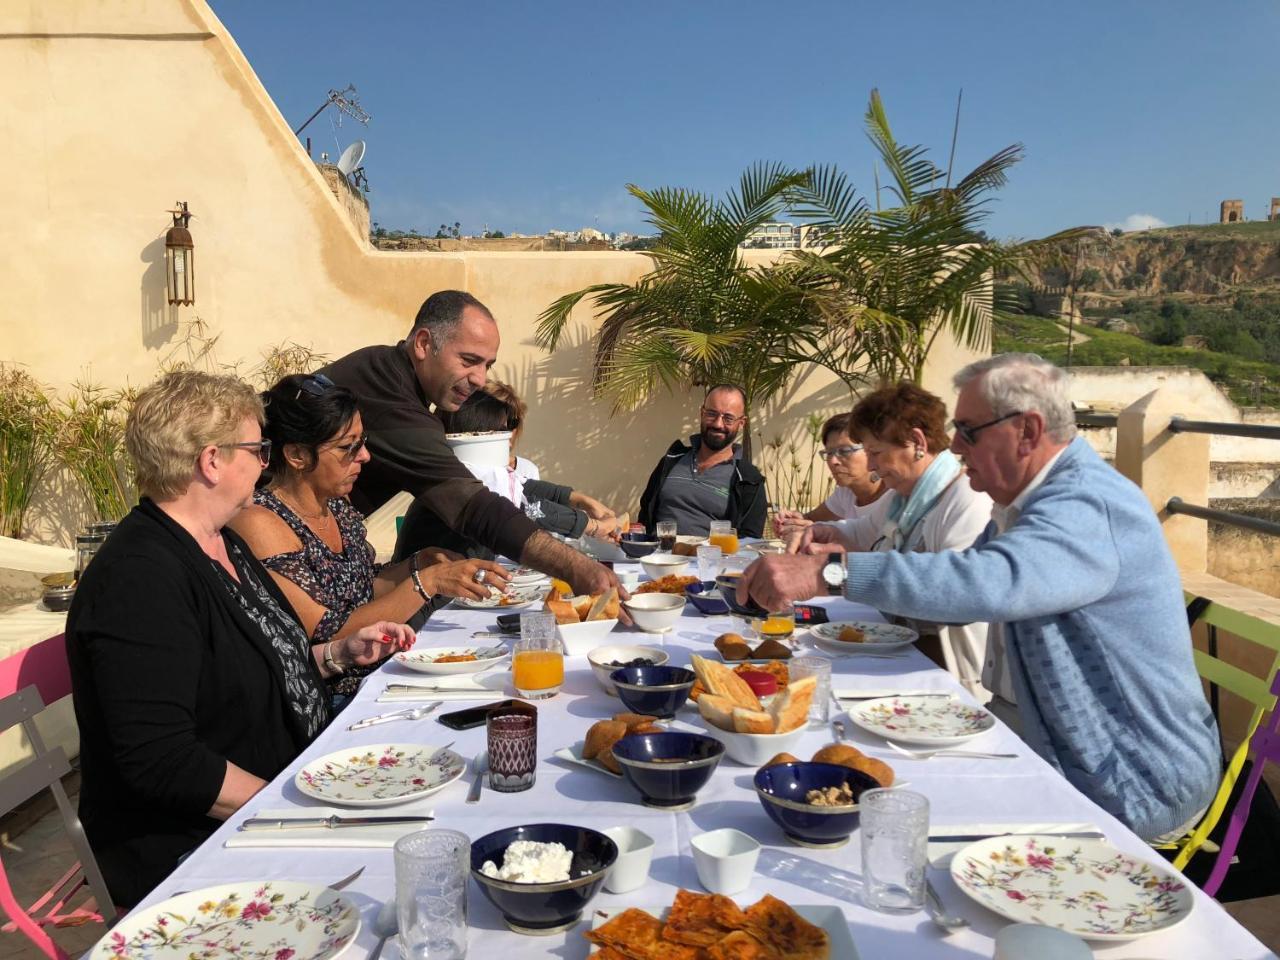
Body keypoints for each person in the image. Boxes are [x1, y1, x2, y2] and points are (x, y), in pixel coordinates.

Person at [738, 354, 1220, 842]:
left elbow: (988, 581)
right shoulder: (1025, 503)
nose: (956, 446)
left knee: (894, 830)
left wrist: (829, 573)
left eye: (969, 431)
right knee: (882, 807)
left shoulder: (1086, 504)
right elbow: (962, 579)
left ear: (1028, 431)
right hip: (1062, 750)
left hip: (1134, 781)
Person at [66, 371, 415, 906]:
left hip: (283, 790)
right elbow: (161, 759)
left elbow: (251, 663)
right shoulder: (138, 578)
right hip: (197, 845)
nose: (264, 461)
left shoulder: (221, 542)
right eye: (257, 449)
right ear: (212, 460)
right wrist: (292, 811)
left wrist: (334, 655)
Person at [229, 374, 511, 705]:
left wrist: (421, 562)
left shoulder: (335, 504)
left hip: (379, 678)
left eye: (363, 442)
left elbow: (362, 588)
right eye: (348, 447)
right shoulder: (261, 521)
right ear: (296, 455)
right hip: (329, 701)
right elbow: (328, 631)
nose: (364, 457)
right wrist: (427, 582)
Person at [320, 290, 619, 597]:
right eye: (469, 361)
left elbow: (511, 485)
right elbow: (477, 506)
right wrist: (577, 568)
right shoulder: (395, 402)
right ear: (423, 344)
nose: (479, 379)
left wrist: (573, 497)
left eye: (487, 365)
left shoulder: (384, 370)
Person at [791, 383, 993, 695]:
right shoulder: (903, 497)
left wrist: (830, 574)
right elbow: (862, 531)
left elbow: (952, 592)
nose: (871, 466)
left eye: (875, 453)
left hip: (950, 678)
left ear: (916, 442)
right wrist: (827, 531)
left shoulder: (966, 498)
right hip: (902, 656)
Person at [394, 387, 620, 562]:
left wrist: (580, 500)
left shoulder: (472, 471)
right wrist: (593, 527)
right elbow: (524, 509)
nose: (509, 437)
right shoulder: (458, 480)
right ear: (482, 433)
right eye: (503, 428)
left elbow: (526, 487)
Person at [637, 384, 767, 538]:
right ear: (702, 413)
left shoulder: (748, 479)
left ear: (741, 423)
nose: (718, 424)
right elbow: (645, 514)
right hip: (659, 556)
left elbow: (749, 538)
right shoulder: (671, 461)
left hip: (710, 560)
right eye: (712, 414)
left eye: (728, 418)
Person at [773, 412, 887, 541]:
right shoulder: (846, 492)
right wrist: (791, 521)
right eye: (829, 453)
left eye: (844, 451)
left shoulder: (895, 496)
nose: (833, 461)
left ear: (870, 449)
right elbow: (810, 519)